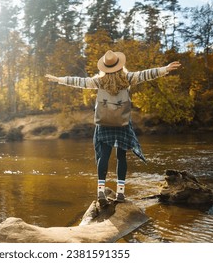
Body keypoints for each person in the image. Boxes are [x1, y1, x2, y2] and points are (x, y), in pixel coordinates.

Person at [45, 50, 181, 206]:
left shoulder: (99, 82)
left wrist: (59, 79)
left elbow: (79, 81)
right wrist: (165, 68)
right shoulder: (127, 79)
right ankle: (121, 194)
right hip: (122, 123)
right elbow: (146, 74)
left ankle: (100, 192)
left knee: (103, 156)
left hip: (104, 123)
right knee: (121, 157)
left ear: (104, 67)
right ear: (120, 66)